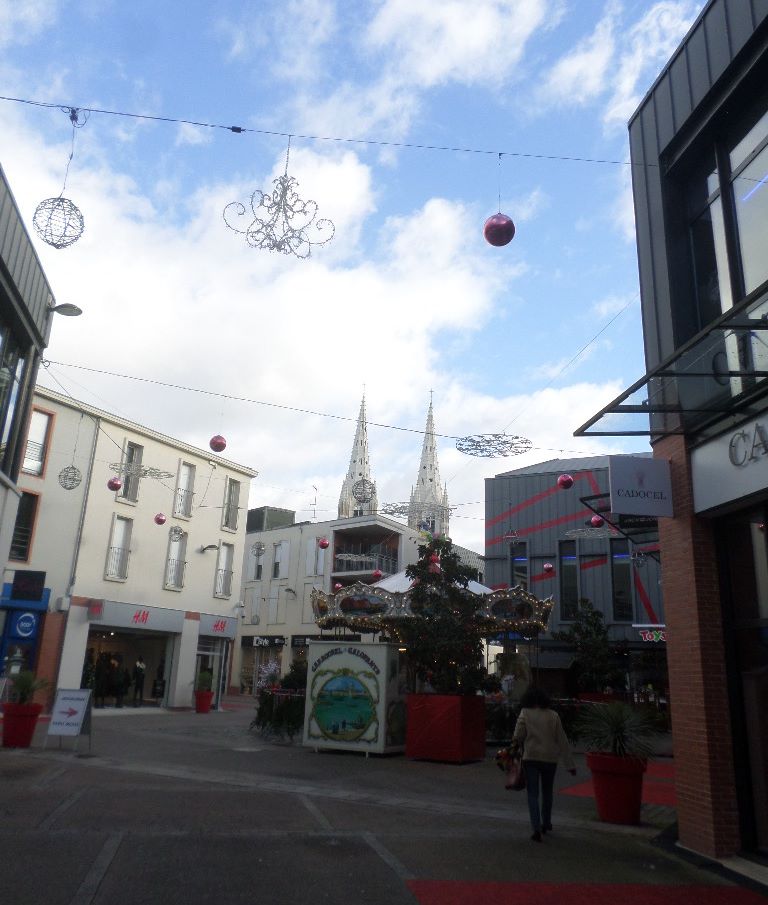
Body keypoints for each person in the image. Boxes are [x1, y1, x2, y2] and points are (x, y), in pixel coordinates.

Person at [512, 686, 576, 842]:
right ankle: (546, 822)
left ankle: (536, 828)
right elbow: (562, 741)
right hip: (550, 759)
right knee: (547, 792)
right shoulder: (553, 716)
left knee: (532, 794)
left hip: (531, 758)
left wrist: (513, 751)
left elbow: (518, 736)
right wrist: (570, 765)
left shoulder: (525, 713)